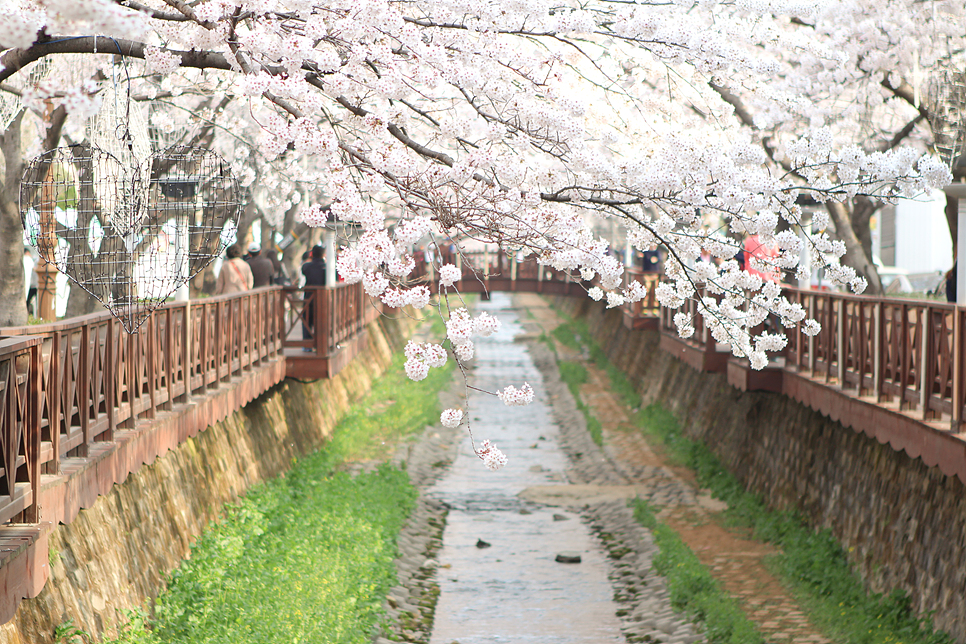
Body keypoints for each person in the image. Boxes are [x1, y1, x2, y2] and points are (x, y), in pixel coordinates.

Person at [300, 245, 326, 348]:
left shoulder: (306, 266)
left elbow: (303, 270)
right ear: (323, 255)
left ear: (311, 254)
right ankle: (321, 343)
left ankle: (307, 344)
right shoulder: (327, 267)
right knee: (321, 321)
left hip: (309, 297)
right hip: (323, 298)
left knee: (307, 320)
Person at [23, 248, 37, 317]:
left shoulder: (30, 260)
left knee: (28, 300)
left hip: (33, 285)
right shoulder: (29, 260)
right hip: (33, 285)